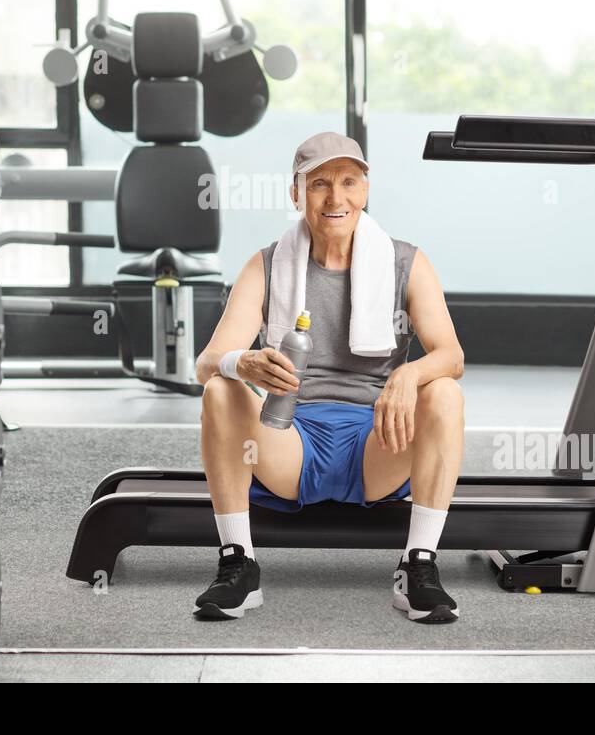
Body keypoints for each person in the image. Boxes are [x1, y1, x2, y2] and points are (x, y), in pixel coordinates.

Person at [193, 132, 466, 623]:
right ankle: (238, 564)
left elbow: (450, 355)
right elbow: (207, 362)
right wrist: (244, 362)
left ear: (365, 189)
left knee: (443, 392)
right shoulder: (267, 264)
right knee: (219, 389)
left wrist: (408, 374)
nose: (335, 198)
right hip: (288, 440)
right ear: (296, 193)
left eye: (348, 182)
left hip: (378, 443)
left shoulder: (406, 262)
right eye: (319, 184)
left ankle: (417, 569)